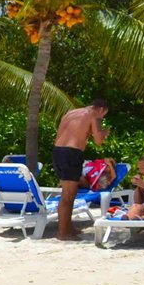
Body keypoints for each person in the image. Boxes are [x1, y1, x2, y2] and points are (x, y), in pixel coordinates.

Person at [52, 98, 110, 240]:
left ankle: (68, 227)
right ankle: (63, 233)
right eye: (104, 115)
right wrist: (105, 132)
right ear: (101, 110)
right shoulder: (94, 115)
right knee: (68, 196)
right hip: (71, 153)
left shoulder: (71, 113)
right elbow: (98, 141)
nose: (102, 118)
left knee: (67, 193)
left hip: (57, 152)